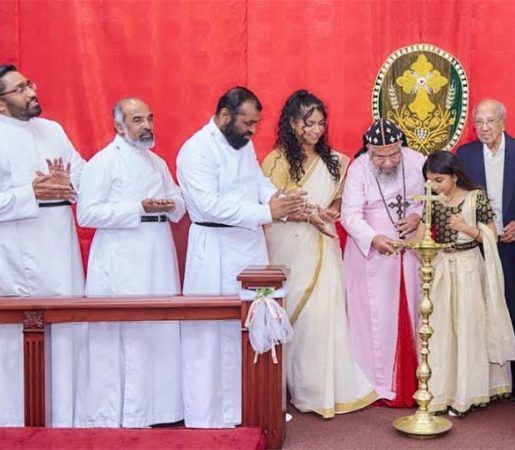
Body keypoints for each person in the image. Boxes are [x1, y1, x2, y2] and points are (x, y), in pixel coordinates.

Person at [176, 86, 305, 427]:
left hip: (249, 246)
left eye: (256, 123)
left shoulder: (242, 144)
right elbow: (208, 206)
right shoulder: (196, 150)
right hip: (214, 249)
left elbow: (257, 183)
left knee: (253, 326)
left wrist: (278, 198)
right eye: (248, 123)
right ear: (224, 116)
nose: (253, 130)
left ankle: (246, 409)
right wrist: (266, 211)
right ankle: (207, 415)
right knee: (213, 333)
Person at [262, 90, 376, 417]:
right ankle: (293, 388)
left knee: (323, 316)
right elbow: (273, 205)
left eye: (320, 124)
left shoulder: (335, 161)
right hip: (288, 246)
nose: (315, 130)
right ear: (292, 123)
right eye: (308, 123)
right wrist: (307, 214)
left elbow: (337, 199)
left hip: (323, 245)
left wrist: (331, 211)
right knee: (296, 316)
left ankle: (319, 392)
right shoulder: (276, 161)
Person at [73, 97, 184, 427]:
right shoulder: (104, 162)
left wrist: (170, 204)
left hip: (158, 250)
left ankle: (161, 409)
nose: (146, 125)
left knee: (159, 327)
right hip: (121, 255)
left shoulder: (156, 162)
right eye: (137, 120)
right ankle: (121, 414)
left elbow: (178, 199)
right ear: (119, 126)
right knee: (128, 330)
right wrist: (138, 208)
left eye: (149, 118)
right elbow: (87, 214)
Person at [0, 64, 85, 427]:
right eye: (20, 89)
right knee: (21, 336)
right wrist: (29, 193)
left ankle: (68, 418)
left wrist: (69, 183)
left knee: (68, 327)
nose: (32, 92)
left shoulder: (53, 130)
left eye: (29, 84)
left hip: (60, 242)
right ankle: (17, 419)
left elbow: (82, 174)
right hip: (18, 248)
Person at [455, 99, 515, 402]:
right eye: (478, 122)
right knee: (477, 309)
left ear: (503, 122)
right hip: (476, 244)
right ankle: (482, 379)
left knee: (511, 309)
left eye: (490, 121)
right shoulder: (464, 155)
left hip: (510, 244)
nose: (484, 128)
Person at [423, 150, 515, 416]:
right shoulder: (432, 200)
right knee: (442, 327)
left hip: (469, 267)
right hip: (443, 266)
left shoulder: (476, 197)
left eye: (439, 180)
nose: (434, 186)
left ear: (454, 176)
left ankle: (467, 393)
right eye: (430, 181)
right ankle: (442, 392)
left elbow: (491, 237)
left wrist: (465, 228)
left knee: (468, 326)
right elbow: (423, 233)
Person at [341, 119, 425, 407]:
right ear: (369, 150)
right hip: (371, 253)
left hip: (410, 249)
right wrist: (373, 238)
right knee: (375, 319)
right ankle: (376, 384)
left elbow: (431, 198)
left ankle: (416, 381)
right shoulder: (358, 169)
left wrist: (417, 217)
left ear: (401, 147)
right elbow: (350, 215)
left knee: (414, 310)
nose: (388, 162)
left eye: (393, 154)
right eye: (380, 156)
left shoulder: (417, 161)